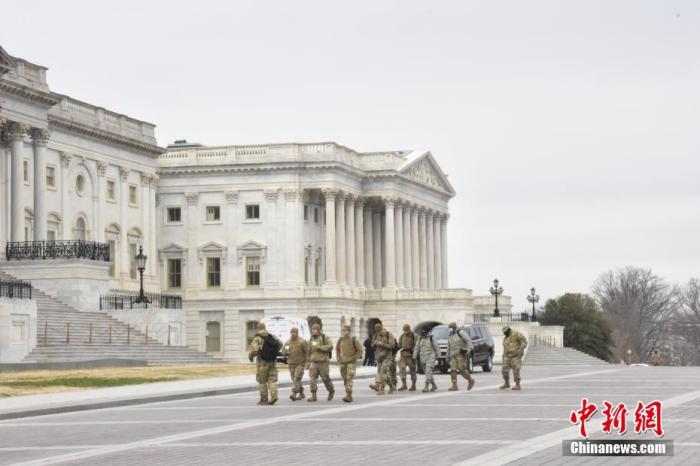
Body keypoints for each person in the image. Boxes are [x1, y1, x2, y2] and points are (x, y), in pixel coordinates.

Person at [248, 322, 283, 405]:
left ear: (258, 328)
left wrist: (251, 356)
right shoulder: (272, 336)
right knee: (272, 380)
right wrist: (274, 352)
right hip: (272, 362)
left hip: (262, 363)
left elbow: (255, 350)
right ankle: (274, 397)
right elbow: (280, 344)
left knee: (262, 381)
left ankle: (264, 400)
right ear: (265, 327)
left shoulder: (257, 338)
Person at [335, 324, 364, 402]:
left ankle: (348, 394)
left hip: (351, 362)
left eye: (344, 330)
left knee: (349, 377)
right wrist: (338, 358)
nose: (343, 332)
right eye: (342, 330)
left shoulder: (354, 340)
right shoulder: (340, 340)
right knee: (345, 379)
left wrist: (354, 359)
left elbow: (360, 350)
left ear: (349, 331)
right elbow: (337, 349)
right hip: (343, 362)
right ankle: (349, 394)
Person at [307, 323, 335, 402]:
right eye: (312, 330)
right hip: (314, 362)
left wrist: (320, 348)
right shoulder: (311, 339)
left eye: (315, 330)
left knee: (325, 379)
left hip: (323, 362)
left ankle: (331, 391)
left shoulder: (324, 337)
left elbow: (330, 346)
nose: (313, 331)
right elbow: (309, 351)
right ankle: (313, 396)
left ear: (318, 330)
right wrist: (308, 362)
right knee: (312, 379)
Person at [446, 322, 475, 391]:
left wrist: (469, 349)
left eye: (451, 328)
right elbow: (449, 346)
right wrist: (447, 355)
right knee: (453, 370)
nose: (450, 329)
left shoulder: (461, 333)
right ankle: (454, 385)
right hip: (453, 355)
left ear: (454, 327)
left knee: (461, 369)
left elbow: (468, 340)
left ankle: (470, 380)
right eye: (449, 328)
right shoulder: (451, 335)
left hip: (460, 354)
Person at [369, 323, 397, 395]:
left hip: (387, 357)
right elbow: (372, 345)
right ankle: (391, 386)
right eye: (377, 331)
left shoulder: (388, 335)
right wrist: (375, 344)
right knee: (383, 374)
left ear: (382, 329)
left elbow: (392, 345)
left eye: (380, 331)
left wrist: (382, 344)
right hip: (379, 357)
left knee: (383, 372)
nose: (379, 333)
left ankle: (382, 389)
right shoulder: (376, 335)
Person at [283, 327, 309, 401]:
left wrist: (307, 362)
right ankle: (301, 393)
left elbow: (307, 352)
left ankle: (294, 393)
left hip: (300, 363)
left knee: (297, 377)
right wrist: (285, 353)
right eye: (291, 332)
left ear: (297, 333)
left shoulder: (302, 341)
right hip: (291, 363)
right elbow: (284, 351)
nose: (293, 334)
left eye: (294, 332)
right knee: (295, 379)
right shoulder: (288, 342)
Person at [500, 326, 528, 391]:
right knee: (504, 370)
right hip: (507, 356)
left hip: (515, 356)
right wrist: (503, 356)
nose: (504, 333)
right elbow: (505, 348)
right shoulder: (505, 338)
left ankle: (518, 385)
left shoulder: (516, 334)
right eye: (504, 333)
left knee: (516, 370)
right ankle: (506, 383)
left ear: (508, 330)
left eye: (505, 332)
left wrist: (521, 348)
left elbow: (524, 341)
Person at [414, 326, 439, 392]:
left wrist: (438, 356)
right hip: (423, 358)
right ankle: (434, 385)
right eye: (422, 333)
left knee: (428, 370)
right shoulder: (420, 339)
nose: (423, 334)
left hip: (431, 356)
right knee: (428, 373)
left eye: (424, 333)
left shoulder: (431, 338)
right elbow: (417, 348)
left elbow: (437, 347)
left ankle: (426, 386)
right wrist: (414, 356)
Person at [397, 324, 417, 391]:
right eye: (404, 330)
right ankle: (404, 384)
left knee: (412, 371)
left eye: (406, 330)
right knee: (402, 369)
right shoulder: (402, 336)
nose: (406, 332)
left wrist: (415, 354)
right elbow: (399, 345)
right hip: (403, 355)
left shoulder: (414, 335)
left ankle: (413, 385)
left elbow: (417, 346)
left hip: (411, 356)